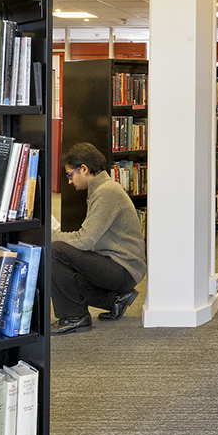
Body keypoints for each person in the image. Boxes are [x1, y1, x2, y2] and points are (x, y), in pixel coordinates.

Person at [49, 142, 146, 335]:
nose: (69, 181)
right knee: (63, 272)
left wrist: (49, 236)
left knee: (55, 251)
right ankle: (114, 300)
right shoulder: (101, 189)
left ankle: (75, 317)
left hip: (124, 267)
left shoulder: (106, 191)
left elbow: (85, 240)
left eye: (70, 175)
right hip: (118, 265)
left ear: (84, 169)